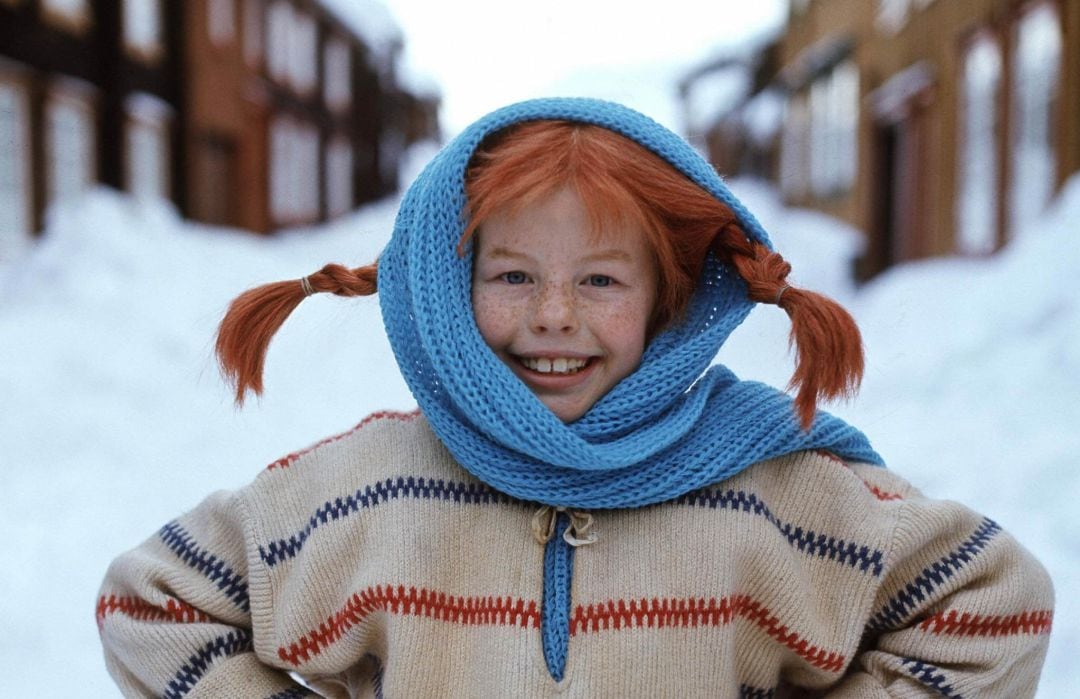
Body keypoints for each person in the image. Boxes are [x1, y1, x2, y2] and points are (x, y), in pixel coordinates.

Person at [97, 98, 1053, 697]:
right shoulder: (369, 488)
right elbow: (155, 602)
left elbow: (992, 604)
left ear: (670, 297)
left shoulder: (776, 490)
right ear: (450, 284)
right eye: (512, 276)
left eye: (601, 281)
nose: (554, 316)